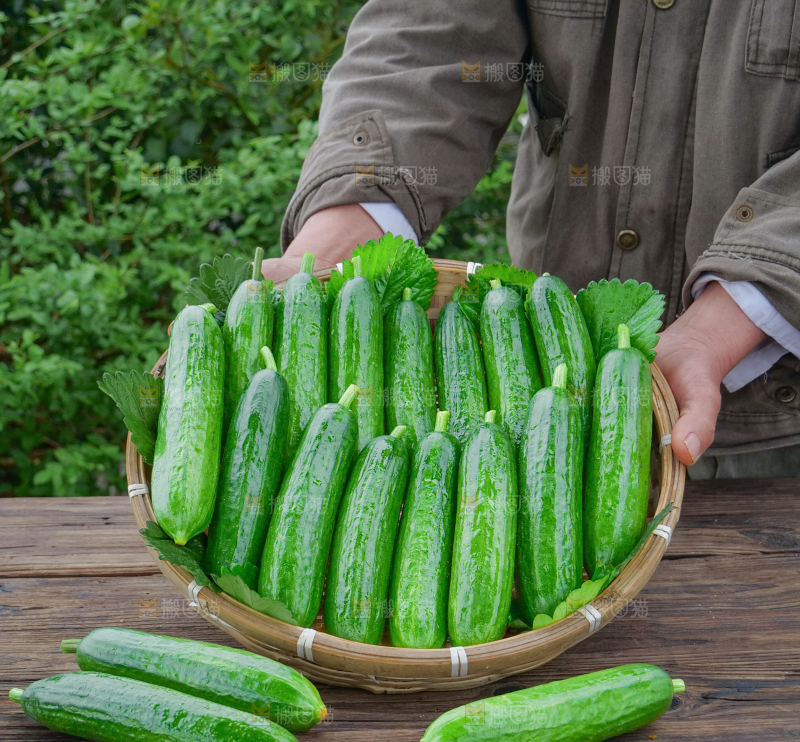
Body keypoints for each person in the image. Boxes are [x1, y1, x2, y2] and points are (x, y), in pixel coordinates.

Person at [262, 0, 800, 478]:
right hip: (541, 366)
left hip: (777, 420)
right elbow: (432, 34)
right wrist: (357, 205)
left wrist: (727, 323)